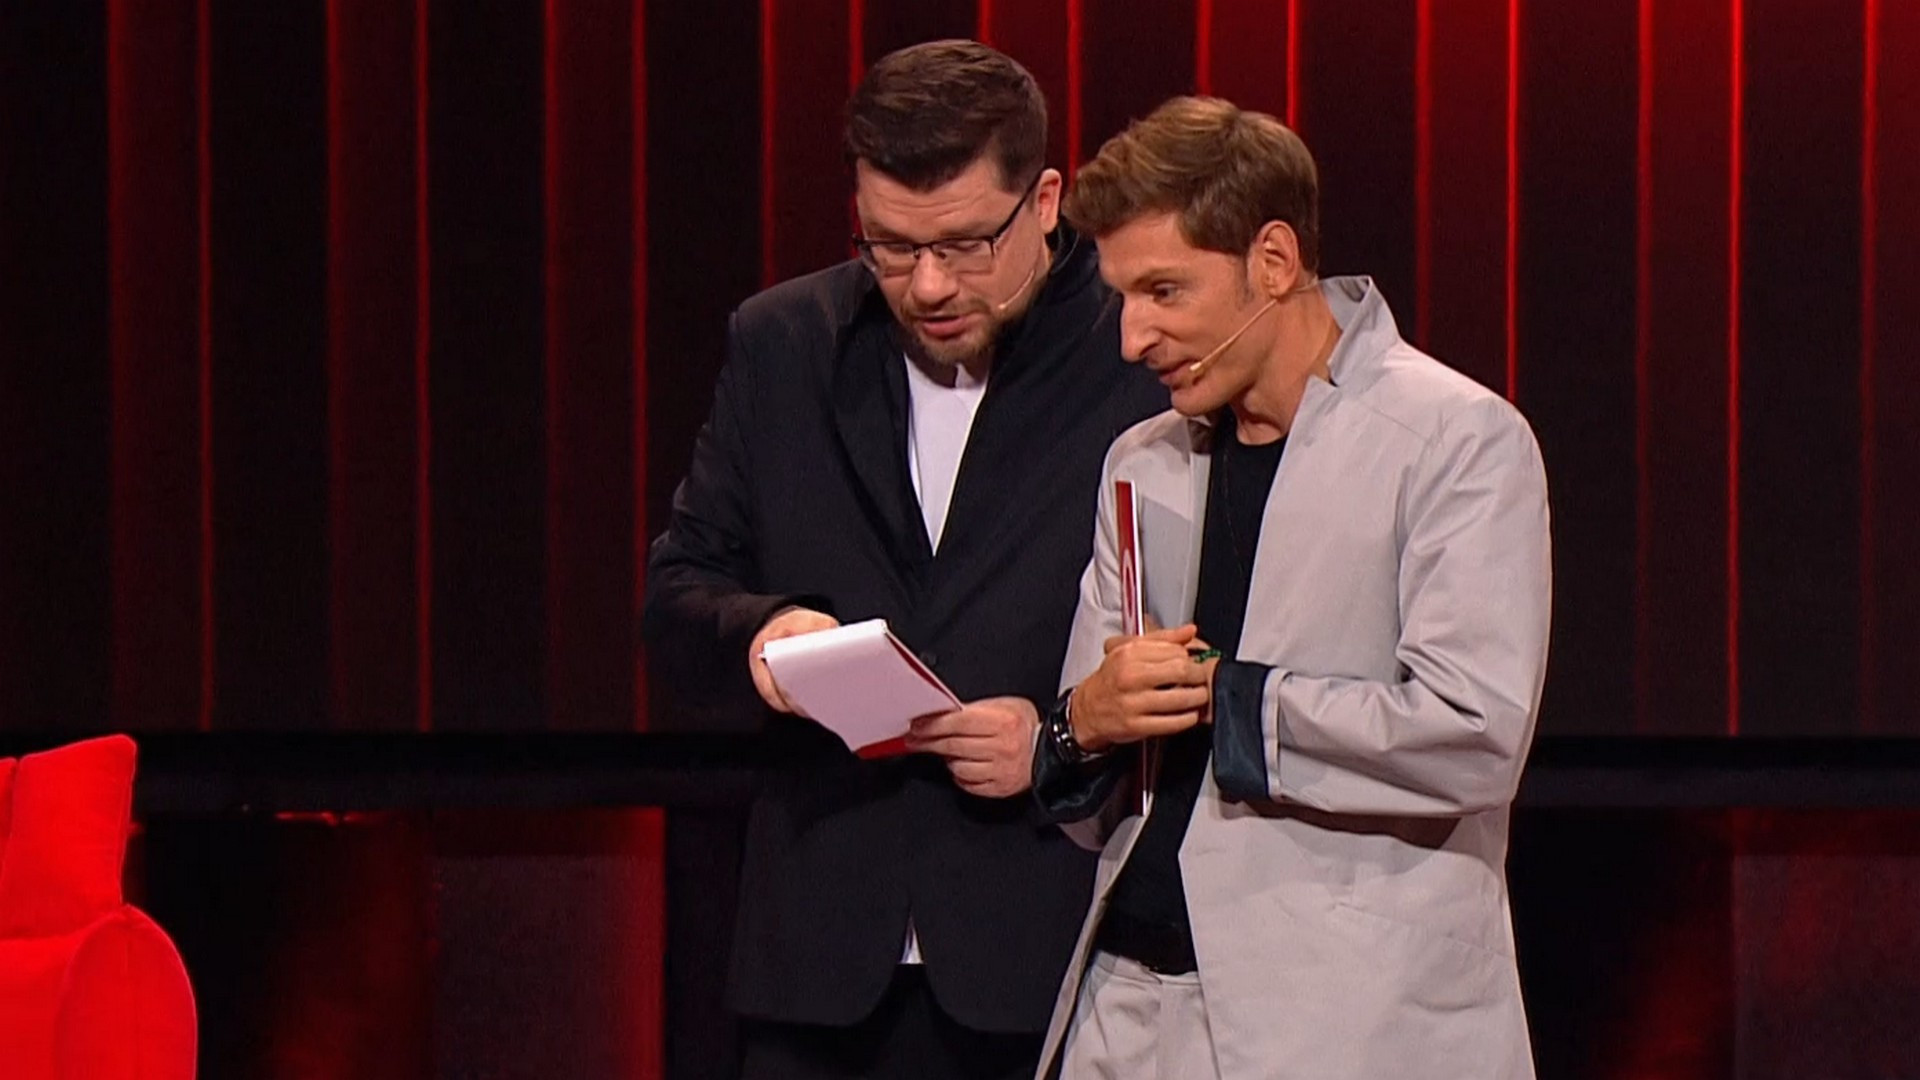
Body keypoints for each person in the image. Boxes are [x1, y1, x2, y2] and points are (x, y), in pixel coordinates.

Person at [642, 40, 1167, 1080]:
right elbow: (676, 597)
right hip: (819, 963)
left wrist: (1058, 739)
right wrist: (766, 637)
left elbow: (1210, 636)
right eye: (890, 246)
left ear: (1045, 201)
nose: (928, 285)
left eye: (966, 245)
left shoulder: (1137, 355)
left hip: (1051, 954)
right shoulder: (784, 343)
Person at [1029, 96, 1552, 1079]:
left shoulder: (1455, 440)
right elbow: (1092, 791)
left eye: (1165, 291)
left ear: (1271, 261)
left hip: (1346, 1020)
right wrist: (1083, 724)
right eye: (1122, 298)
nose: (1133, 339)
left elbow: (1475, 734)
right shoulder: (1140, 461)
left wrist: (1235, 702)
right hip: (1126, 1011)